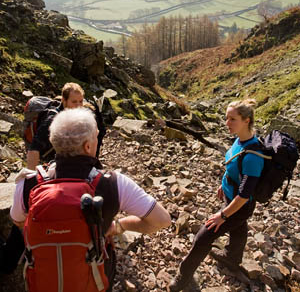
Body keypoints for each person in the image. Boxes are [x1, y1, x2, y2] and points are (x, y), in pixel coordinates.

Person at [10, 107, 171, 291]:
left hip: (43, 278)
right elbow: (162, 220)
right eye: (96, 136)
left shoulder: (28, 184)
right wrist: (120, 226)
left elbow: (19, 222)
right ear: (88, 146)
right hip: (91, 279)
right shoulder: (114, 184)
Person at [168, 99, 264, 291]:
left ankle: (183, 276)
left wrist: (222, 215)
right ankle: (232, 258)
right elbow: (232, 164)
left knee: (204, 237)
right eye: (226, 118)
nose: (227, 123)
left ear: (247, 120)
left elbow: (244, 196)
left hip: (240, 205)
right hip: (231, 196)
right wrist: (224, 184)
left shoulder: (254, 156)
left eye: (233, 119)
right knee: (238, 228)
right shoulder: (240, 139)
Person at [26, 82, 105, 169]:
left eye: (81, 101)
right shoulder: (51, 119)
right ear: (64, 100)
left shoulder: (80, 115)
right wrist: (31, 177)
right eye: (74, 102)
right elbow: (34, 149)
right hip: (52, 163)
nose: (78, 105)